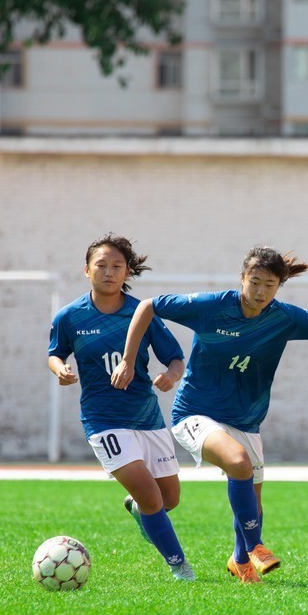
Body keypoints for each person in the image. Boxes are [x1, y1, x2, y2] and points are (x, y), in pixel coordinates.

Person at [112, 246, 308, 583]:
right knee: (238, 463)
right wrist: (128, 360)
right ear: (242, 278)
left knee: (253, 503)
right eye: (254, 282)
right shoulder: (211, 307)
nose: (261, 292)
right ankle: (256, 545)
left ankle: (240, 560)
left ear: (279, 286)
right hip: (194, 413)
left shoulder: (284, 317)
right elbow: (148, 306)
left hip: (247, 421)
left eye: (269, 285)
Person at [48, 233, 196, 581]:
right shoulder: (70, 317)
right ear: (87, 270)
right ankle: (180, 566)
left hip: (147, 416)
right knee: (151, 497)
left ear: (128, 271)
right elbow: (55, 353)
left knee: (169, 498)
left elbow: (175, 358)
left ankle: (136, 508)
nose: (109, 272)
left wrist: (171, 376)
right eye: (101, 265)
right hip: (103, 420)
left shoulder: (141, 313)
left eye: (117, 266)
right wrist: (60, 369)